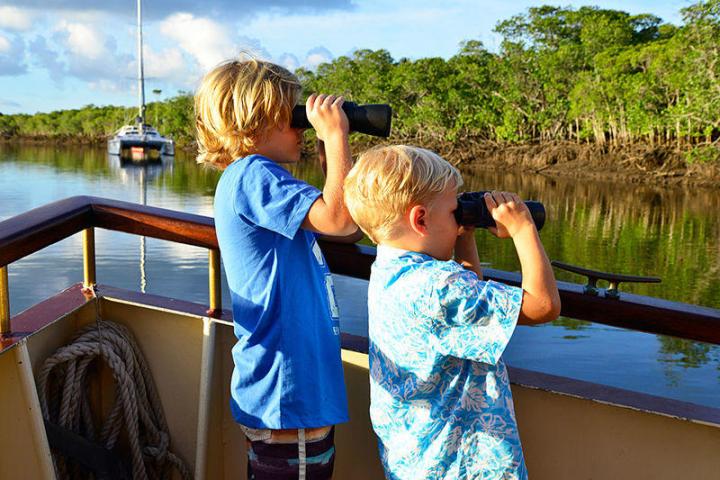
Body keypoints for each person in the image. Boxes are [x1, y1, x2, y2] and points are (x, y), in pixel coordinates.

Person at [343, 145, 561, 480]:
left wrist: (463, 235)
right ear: (420, 219)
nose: (458, 216)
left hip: (415, 461)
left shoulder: (390, 270)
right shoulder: (438, 287)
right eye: (453, 211)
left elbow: (462, 309)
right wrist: (523, 229)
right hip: (463, 465)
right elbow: (543, 306)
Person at [195, 58, 360, 480]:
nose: (302, 127)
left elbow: (346, 229)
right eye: (292, 116)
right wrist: (337, 134)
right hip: (288, 393)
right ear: (253, 124)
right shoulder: (254, 174)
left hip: (289, 392)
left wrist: (330, 158)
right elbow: (340, 219)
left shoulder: (254, 178)